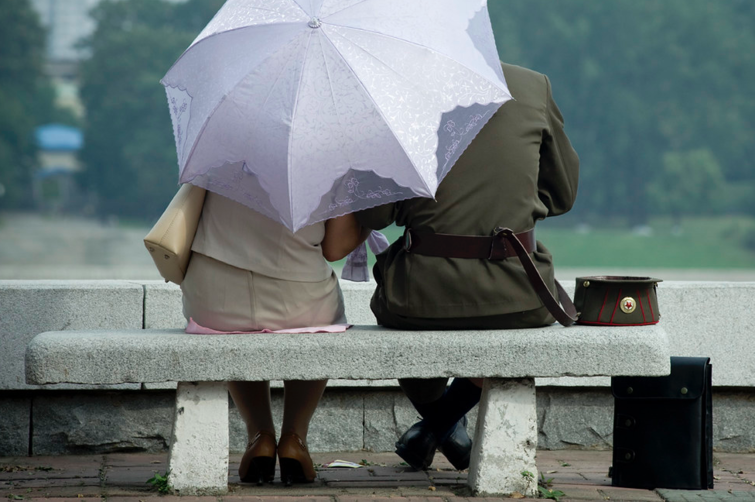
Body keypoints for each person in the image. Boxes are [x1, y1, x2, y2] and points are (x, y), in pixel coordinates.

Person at [355, 62, 580, 471]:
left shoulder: (400, 91)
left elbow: (375, 216)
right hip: (519, 294)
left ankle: (438, 424)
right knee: (490, 316)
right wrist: (512, 203)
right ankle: (446, 426)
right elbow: (562, 195)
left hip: (418, 297)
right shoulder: (532, 86)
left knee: (395, 296)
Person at [180, 192, 369, 485]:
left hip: (213, 300)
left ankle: (260, 436)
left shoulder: (218, 154)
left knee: (236, 328)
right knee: (320, 322)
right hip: (298, 301)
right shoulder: (327, 157)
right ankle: (294, 438)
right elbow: (335, 248)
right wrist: (367, 223)